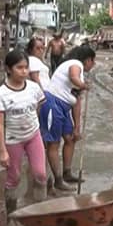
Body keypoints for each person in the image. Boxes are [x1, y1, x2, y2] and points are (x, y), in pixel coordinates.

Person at [0, 49, 47, 226]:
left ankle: (40, 213)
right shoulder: (1, 93)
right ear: (8, 69)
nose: (24, 71)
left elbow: (39, 105)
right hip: (13, 140)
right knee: (13, 178)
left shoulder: (34, 88)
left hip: (33, 136)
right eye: (19, 68)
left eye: (26, 68)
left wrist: (35, 125)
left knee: (40, 174)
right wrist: (2, 150)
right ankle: (11, 217)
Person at [40, 45, 96, 190]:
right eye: (93, 61)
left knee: (71, 138)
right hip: (53, 103)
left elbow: (76, 102)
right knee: (53, 144)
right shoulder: (75, 64)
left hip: (64, 107)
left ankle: (67, 172)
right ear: (88, 59)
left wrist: (77, 127)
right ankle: (58, 180)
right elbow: (73, 76)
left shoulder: (79, 71)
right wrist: (83, 85)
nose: (93, 65)